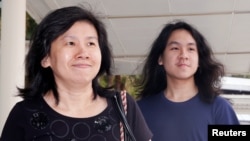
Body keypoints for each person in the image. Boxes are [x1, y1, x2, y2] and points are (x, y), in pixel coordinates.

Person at [0, 6, 152, 141]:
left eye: (91, 43)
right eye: (70, 43)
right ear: (46, 58)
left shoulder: (123, 106)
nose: (83, 53)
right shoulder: (24, 114)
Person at [136, 20, 239, 141]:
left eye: (191, 49)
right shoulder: (141, 110)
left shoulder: (220, 109)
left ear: (199, 59)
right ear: (160, 58)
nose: (183, 55)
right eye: (175, 48)